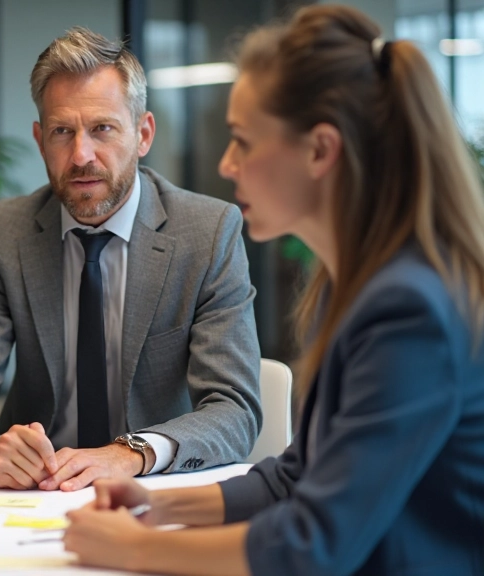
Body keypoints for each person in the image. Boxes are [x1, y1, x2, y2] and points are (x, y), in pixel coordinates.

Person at [64, 5, 484, 575]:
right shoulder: (355, 284)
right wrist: (156, 506)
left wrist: (134, 548)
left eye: (243, 140)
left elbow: (314, 544)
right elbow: (297, 474)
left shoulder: (408, 308)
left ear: (319, 150)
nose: (226, 163)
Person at [0, 27, 262, 491]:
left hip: (153, 488)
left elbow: (234, 409)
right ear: (40, 139)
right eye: (63, 132)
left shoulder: (207, 233)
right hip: (32, 493)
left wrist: (130, 455)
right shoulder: (5, 231)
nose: (81, 155)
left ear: (143, 134)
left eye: (102, 129)